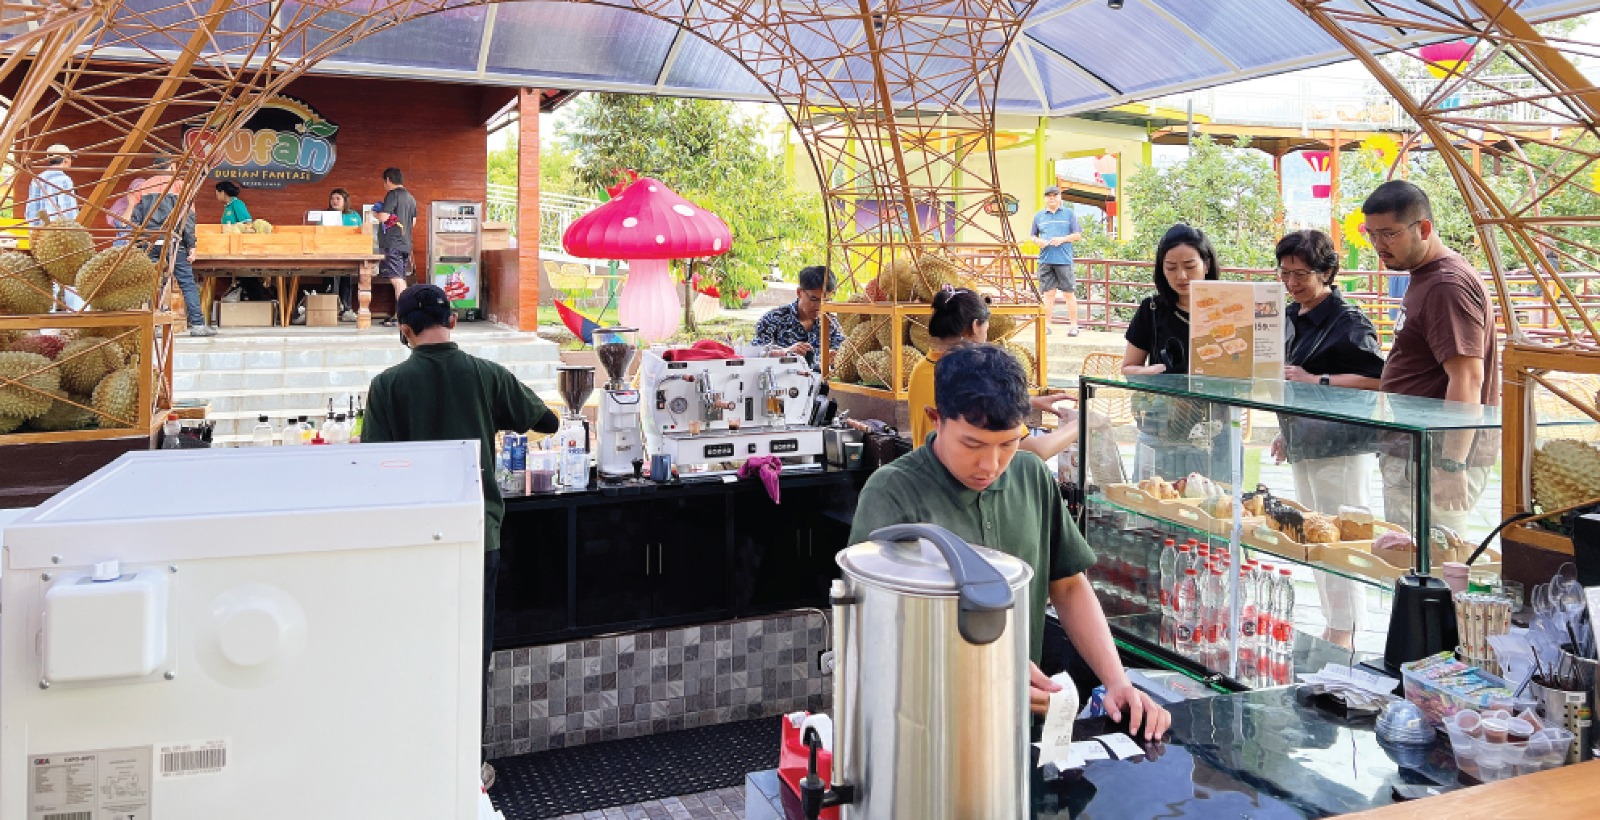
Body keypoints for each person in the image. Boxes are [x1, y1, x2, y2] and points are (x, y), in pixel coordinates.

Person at [850, 343, 1170, 740]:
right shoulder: (893, 492)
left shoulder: (1031, 475)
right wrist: (985, 673)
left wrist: (1117, 681)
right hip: (923, 723)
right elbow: (871, 626)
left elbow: (1068, 583)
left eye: (1008, 443)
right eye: (972, 444)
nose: (991, 465)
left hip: (1017, 721)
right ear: (937, 420)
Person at [362, 283, 561, 788]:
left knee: (409, 647)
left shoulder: (387, 386)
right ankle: (467, 767)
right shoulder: (486, 375)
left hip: (411, 541)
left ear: (404, 331)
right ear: (453, 321)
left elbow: (368, 466)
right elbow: (549, 420)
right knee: (472, 651)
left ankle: (411, 762)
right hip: (477, 537)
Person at [1267, 229, 1386, 649]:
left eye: (1301, 274)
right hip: (1304, 441)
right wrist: (1287, 433)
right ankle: (1335, 623)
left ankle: (1348, 629)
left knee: (1344, 537)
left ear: (1328, 272)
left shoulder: (1349, 320)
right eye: (1285, 273)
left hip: (1341, 445)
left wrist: (1318, 379)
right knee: (1312, 535)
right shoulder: (1286, 317)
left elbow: (1377, 379)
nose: (1292, 283)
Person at [1363, 180, 1499, 536]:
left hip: (1434, 457)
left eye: (1389, 234)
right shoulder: (1426, 276)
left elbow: (1468, 379)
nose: (1379, 246)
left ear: (1423, 228)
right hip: (1417, 452)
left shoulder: (1445, 284)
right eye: (1372, 235)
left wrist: (1451, 464)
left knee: (1431, 572)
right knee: (1410, 569)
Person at [907, 285, 1078, 459]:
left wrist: (1026, 401)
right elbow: (1036, 451)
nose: (986, 338)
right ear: (975, 326)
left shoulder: (920, 368)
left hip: (924, 478)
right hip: (963, 483)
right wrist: (1079, 426)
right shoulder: (976, 376)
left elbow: (960, 403)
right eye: (986, 330)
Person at [1120, 224, 1223, 480]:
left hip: (1215, 431)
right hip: (1160, 431)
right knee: (1154, 506)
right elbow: (1128, 368)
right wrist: (1149, 373)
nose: (1181, 276)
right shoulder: (1151, 309)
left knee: (1213, 510)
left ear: (1207, 264)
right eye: (1171, 268)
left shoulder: (1228, 308)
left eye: (1190, 266)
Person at [128, 158, 213, 336]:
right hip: (174, 242)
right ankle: (197, 325)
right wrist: (191, 245)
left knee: (151, 284)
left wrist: (137, 245)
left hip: (149, 243)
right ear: (172, 166)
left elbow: (134, 220)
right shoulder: (181, 186)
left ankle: (152, 325)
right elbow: (187, 219)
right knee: (187, 283)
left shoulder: (142, 187)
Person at [25, 143, 85, 311]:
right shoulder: (63, 179)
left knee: (47, 277)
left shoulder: (36, 179)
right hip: (61, 235)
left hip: (40, 234)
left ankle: (47, 316)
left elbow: (30, 212)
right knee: (72, 273)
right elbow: (69, 212)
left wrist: (36, 233)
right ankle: (76, 314)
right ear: (66, 160)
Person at [752, 264, 845, 372]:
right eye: (814, 299)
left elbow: (843, 352)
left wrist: (835, 357)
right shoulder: (773, 319)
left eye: (826, 301)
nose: (819, 306)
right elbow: (754, 354)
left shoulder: (831, 324)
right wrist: (784, 353)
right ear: (799, 292)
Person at [1030, 185, 1083, 335]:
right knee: (1048, 294)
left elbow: (1077, 235)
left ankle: (1074, 326)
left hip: (1064, 260)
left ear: (1060, 197)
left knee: (1068, 293)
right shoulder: (1039, 216)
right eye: (1049, 195)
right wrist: (1037, 241)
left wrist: (1062, 239)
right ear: (1045, 198)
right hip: (1045, 259)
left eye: (1055, 195)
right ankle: (1047, 326)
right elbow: (1032, 235)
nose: (1052, 198)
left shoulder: (1069, 214)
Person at [375, 167, 418, 326]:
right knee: (401, 279)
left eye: (384, 182)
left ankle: (401, 316)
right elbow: (413, 222)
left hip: (392, 243)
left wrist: (376, 214)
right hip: (405, 244)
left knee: (397, 280)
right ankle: (402, 314)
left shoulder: (392, 195)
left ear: (388, 180)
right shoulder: (411, 198)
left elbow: (384, 218)